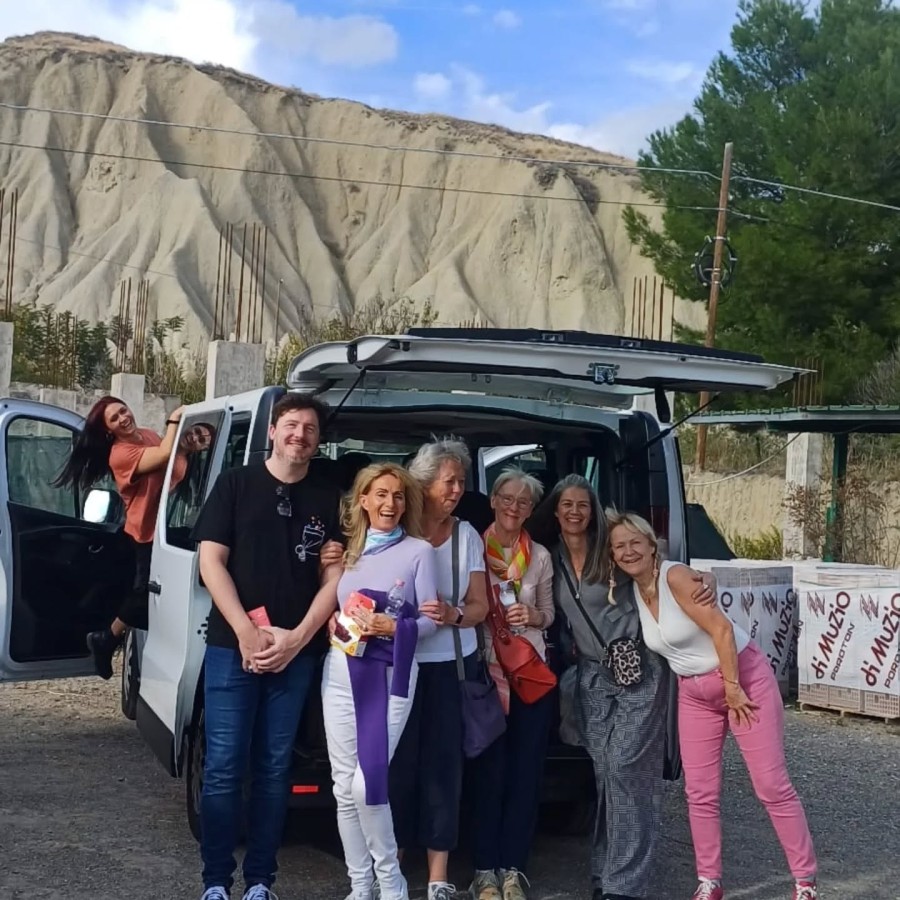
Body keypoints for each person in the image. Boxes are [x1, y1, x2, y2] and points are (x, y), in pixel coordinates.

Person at [607, 511, 819, 900]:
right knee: (700, 792)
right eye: (619, 546)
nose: (628, 551)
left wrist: (733, 687)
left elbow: (721, 629)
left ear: (652, 546)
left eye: (635, 542)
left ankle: (805, 881)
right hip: (694, 692)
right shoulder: (634, 588)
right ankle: (709, 881)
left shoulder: (674, 577)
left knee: (771, 785)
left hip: (741, 678)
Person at [191, 393, 344, 900]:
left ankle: (260, 881)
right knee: (223, 767)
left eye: (310, 429)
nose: (300, 435)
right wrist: (245, 631)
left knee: (275, 769)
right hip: (232, 648)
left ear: (318, 441)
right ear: (273, 431)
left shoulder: (329, 499)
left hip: (295, 654)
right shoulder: (235, 485)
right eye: (292, 425)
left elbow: (335, 577)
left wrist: (298, 638)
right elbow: (211, 562)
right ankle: (216, 882)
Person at [537, 476, 716, 900]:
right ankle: (605, 873)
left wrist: (700, 578)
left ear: (593, 510)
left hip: (639, 669)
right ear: (555, 510)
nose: (575, 512)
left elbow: (655, 560)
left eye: (583, 504)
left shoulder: (611, 549)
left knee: (628, 773)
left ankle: (625, 886)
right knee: (606, 777)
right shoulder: (550, 557)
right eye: (567, 504)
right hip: (593, 677)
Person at [323, 462, 439, 900]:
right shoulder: (347, 553)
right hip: (340, 672)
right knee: (342, 786)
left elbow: (431, 619)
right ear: (364, 501)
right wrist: (334, 622)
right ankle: (360, 886)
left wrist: (393, 626)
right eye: (382, 494)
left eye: (398, 496)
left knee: (365, 783)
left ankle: (390, 881)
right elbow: (333, 607)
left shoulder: (419, 551)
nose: (390, 503)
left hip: (391, 676)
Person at [389, 438, 489, 900]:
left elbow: (480, 605)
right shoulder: (394, 530)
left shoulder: (467, 536)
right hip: (399, 664)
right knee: (397, 766)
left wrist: (454, 614)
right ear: (424, 484)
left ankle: (438, 876)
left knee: (443, 769)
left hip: (451, 666)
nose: (457, 490)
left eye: (461, 482)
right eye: (450, 482)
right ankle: (392, 866)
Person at [53, 396, 187, 680]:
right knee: (145, 595)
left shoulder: (149, 435)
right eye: (114, 418)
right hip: (143, 534)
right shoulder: (120, 453)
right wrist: (176, 419)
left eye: (123, 411)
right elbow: (165, 454)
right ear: (108, 430)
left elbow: (172, 468)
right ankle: (106, 638)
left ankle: (116, 641)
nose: (124, 418)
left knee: (159, 595)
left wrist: (188, 447)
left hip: (166, 528)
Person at [469, 467, 554, 900]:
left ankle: (513, 870)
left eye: (523, 501)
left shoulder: (539, 556)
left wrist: (533, 615)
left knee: (524, 775)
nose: (513, 506)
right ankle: (484, 870)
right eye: (506, 497)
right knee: (488, 774)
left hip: (529, 675)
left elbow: (549, 614)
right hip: (486, 674)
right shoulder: (471, 546)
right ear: (493, 501)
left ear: (531, 509)